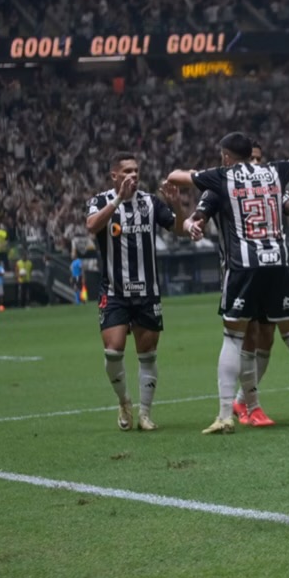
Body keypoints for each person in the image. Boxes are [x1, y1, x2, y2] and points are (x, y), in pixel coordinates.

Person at [165, 133, 289, 435]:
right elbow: (202, 211)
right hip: (243, 268)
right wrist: (195, 222)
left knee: (264, 338)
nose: (258, 163)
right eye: (255, 158)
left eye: (261, 159)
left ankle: (239, 403)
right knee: (249, 337)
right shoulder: (237, 180)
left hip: (249, 269)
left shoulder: (237, 178)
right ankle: (251, 405)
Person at [85, 151, 189, 431]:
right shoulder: (101, 201)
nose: (133, 175)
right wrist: (119, 199)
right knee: (113, 351)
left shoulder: (150, 202)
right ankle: (123, 401)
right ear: (114, 175)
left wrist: (177, 206)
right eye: (127, 171)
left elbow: (180, 230)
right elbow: (92, 226)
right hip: (114, 291)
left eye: (136, 171)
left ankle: (145, 413)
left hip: (147, 291)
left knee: (148, 353)